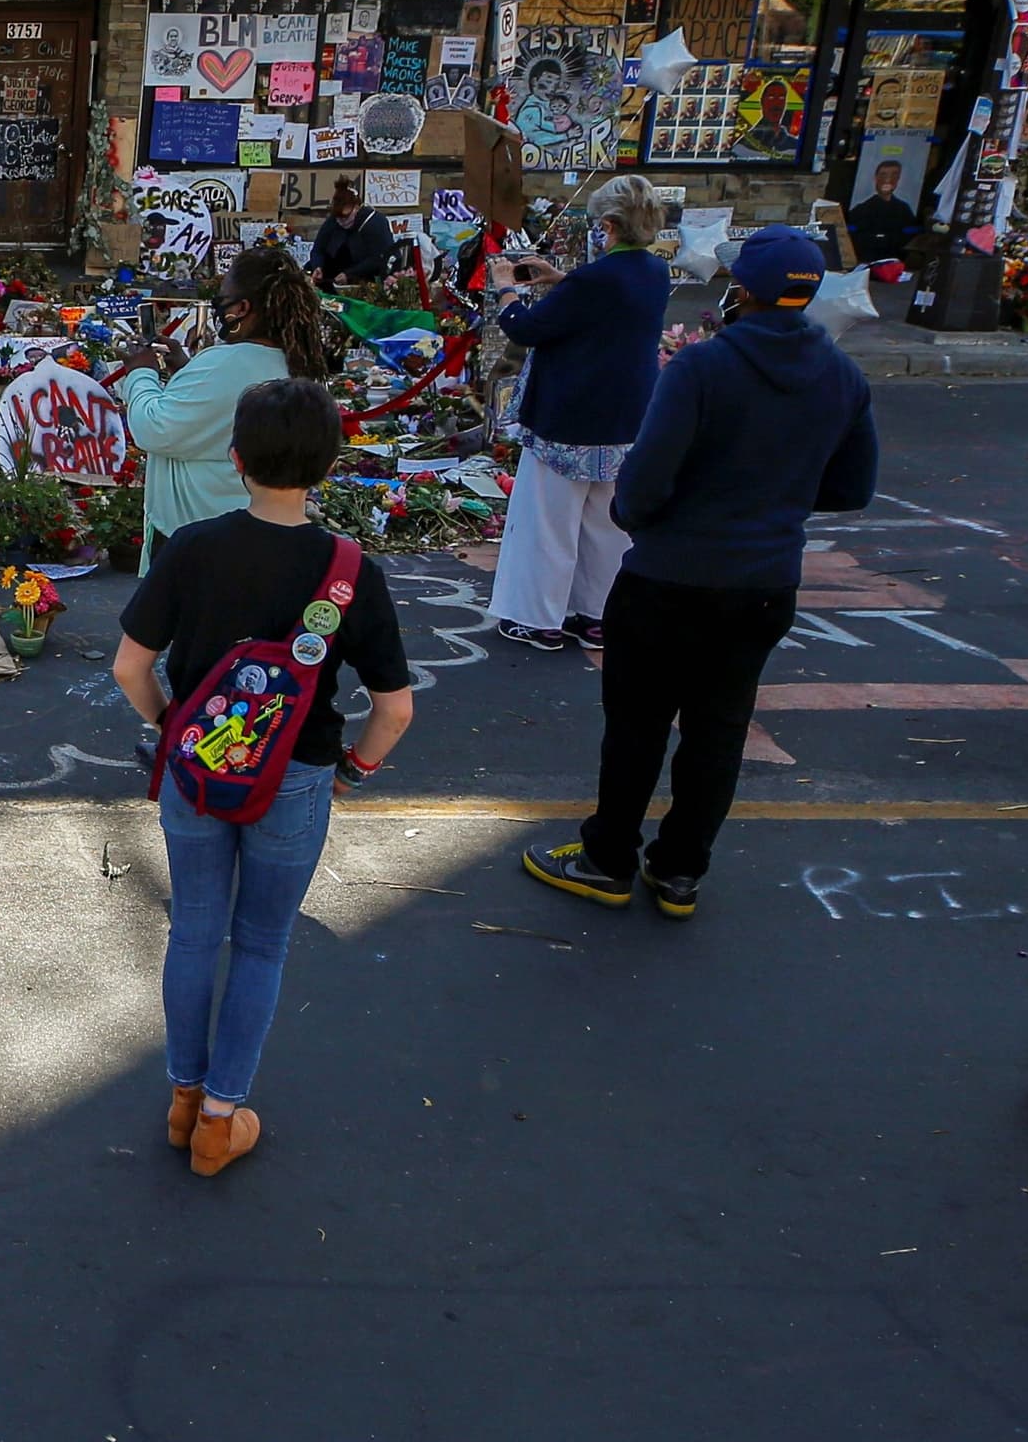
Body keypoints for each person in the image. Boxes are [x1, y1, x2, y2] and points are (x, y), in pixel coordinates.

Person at [522, 228, 876, 918]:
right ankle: (681, 868)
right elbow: (852, 487)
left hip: (670, 577)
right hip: (764, 583)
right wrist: (780, 498)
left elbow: (643, 484)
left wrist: (641, 516)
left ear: (741, 290)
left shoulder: (702, 368)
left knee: (637, 725)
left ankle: (608, 857)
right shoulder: (842, 376)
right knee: (719, 730)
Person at [111, 377, 415, 1177]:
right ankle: (221, 1116)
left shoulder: (194, 546)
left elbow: (129, 666)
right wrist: (355, 770)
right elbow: (395, 709)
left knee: (193, 930)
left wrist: (170, 726)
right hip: (298, 775)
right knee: (262, 944)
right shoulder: (350, 571)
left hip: (197, 774)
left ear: (235, 456)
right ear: (328, 464)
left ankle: (181, 1097)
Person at [485, 176, 672, 652]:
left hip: (570, 416)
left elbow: (526, 328)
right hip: (625, 416)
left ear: (608, 226)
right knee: (606, 524)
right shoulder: (654, 271)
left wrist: (506, 289)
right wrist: (561, 279)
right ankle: (596, 615)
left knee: (547, 522)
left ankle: (537, 617)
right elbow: (610, 301)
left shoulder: (596, 279)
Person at [121, 244, 339, 562]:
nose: (220, 310)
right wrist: (186, 370)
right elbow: (222, 405)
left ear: (243, 308)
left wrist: (141, 373)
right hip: (269, 532)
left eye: (223, 301)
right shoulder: (300, 365)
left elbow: (154, 429)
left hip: (197, 536)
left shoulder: (221, 364)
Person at [305, 178, 396, 288]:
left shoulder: (375, 222)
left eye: (346, 217)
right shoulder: (333, 221)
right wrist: (317, 266)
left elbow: (378, 258)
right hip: (332, 276)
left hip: (365, 278)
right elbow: (318, 248)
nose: (341, 222)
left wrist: (349, 274)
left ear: (357, 207)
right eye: (338, 219)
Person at [842, 158, 919, 267]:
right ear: (876, 178)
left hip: (894, 262)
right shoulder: (861, 209)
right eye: (883, 175)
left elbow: (909, 237)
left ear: (898, 179)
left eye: (894, 175)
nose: (888, 180)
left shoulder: (904, 209)